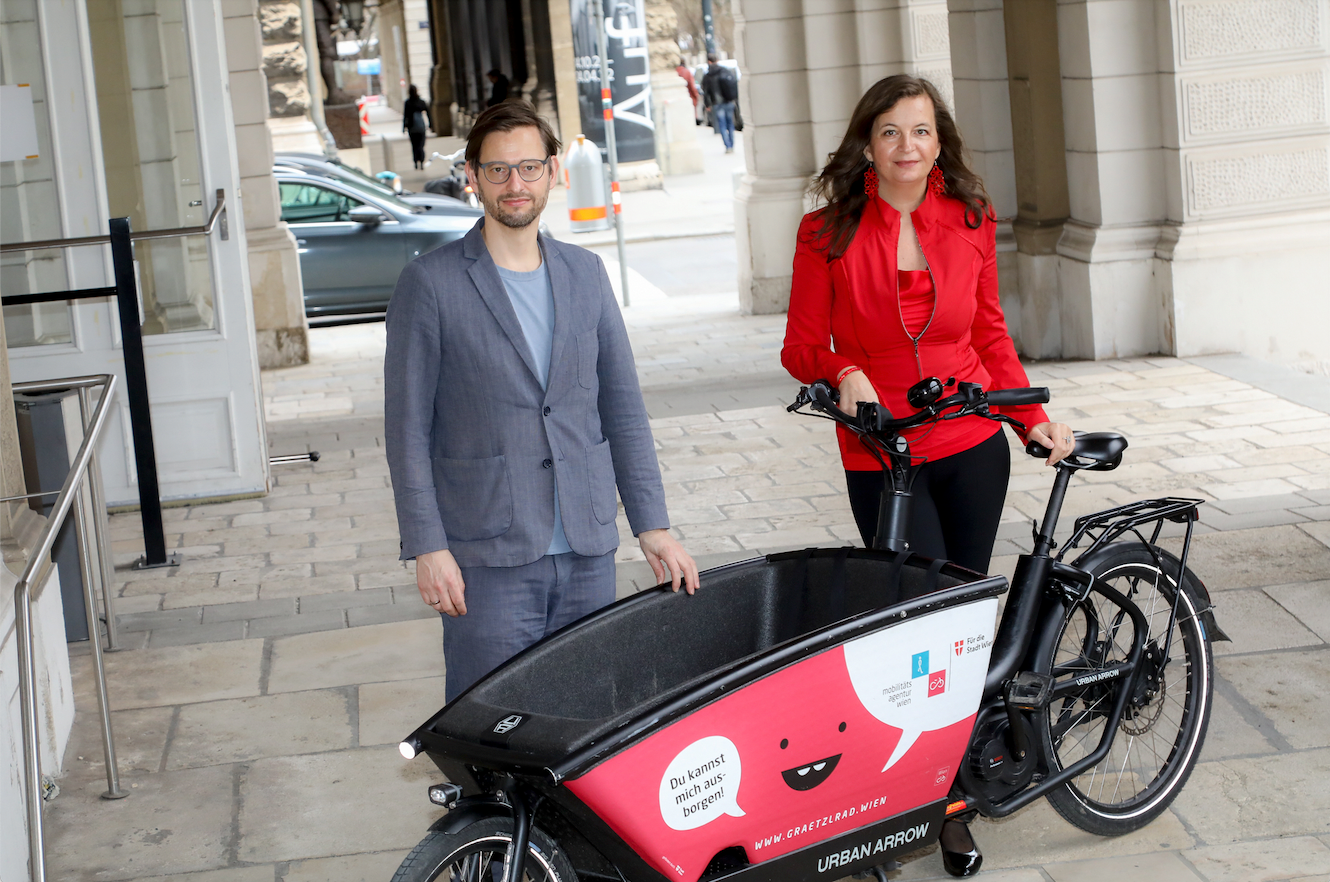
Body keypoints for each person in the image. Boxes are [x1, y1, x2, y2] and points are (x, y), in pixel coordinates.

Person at [385, 101, 700, 702]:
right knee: (492, 719)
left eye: (529, 167)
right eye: (497, 170)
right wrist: (428, 546)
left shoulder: (586, 273)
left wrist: (652, 526)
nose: (515, 184)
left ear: (553, 172)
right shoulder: (430, 283)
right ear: (472, 177)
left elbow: (623, 410)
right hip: (488, 550)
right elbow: (406, 431)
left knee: (582, 716)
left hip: (586, 546)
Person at [782, 74, 1075, 577]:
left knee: (967, 603)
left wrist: (1031, 418)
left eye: (920, 131)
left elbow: (989, 334)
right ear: (868, 148)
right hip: (880, 447)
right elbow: (799, 347)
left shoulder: (973, 220)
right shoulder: (824, 233)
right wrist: (843, 369)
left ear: (938, 144)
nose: (906, 145)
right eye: (889, 132)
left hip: (972, 440)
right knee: (913, 598)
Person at [700, 54, 738, 152]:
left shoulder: (708, 76)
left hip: (717, 103)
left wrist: (707, 104)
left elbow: (706, 92)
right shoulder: (725, 71)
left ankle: (727, 146)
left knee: (722, 125)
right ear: (717, 60)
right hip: (728, 101)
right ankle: (732, 144)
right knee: (730, 123)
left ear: (709, 62)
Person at [403, 84, 431, 169]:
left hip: (412, 127)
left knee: (414, 145)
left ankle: (416, 161)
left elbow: (405, 115)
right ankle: (421, 161)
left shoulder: (408, 103)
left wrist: (404, 127)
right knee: (421, 145)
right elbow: (428, 113)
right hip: (421, 126)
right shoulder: (421, 102)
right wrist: (430, 124)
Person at [675, 58, 699, 123]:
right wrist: (696, 96)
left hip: (676, 99)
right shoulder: (686, 72)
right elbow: (692, 86)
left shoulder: (674, 72)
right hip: (687, 97)